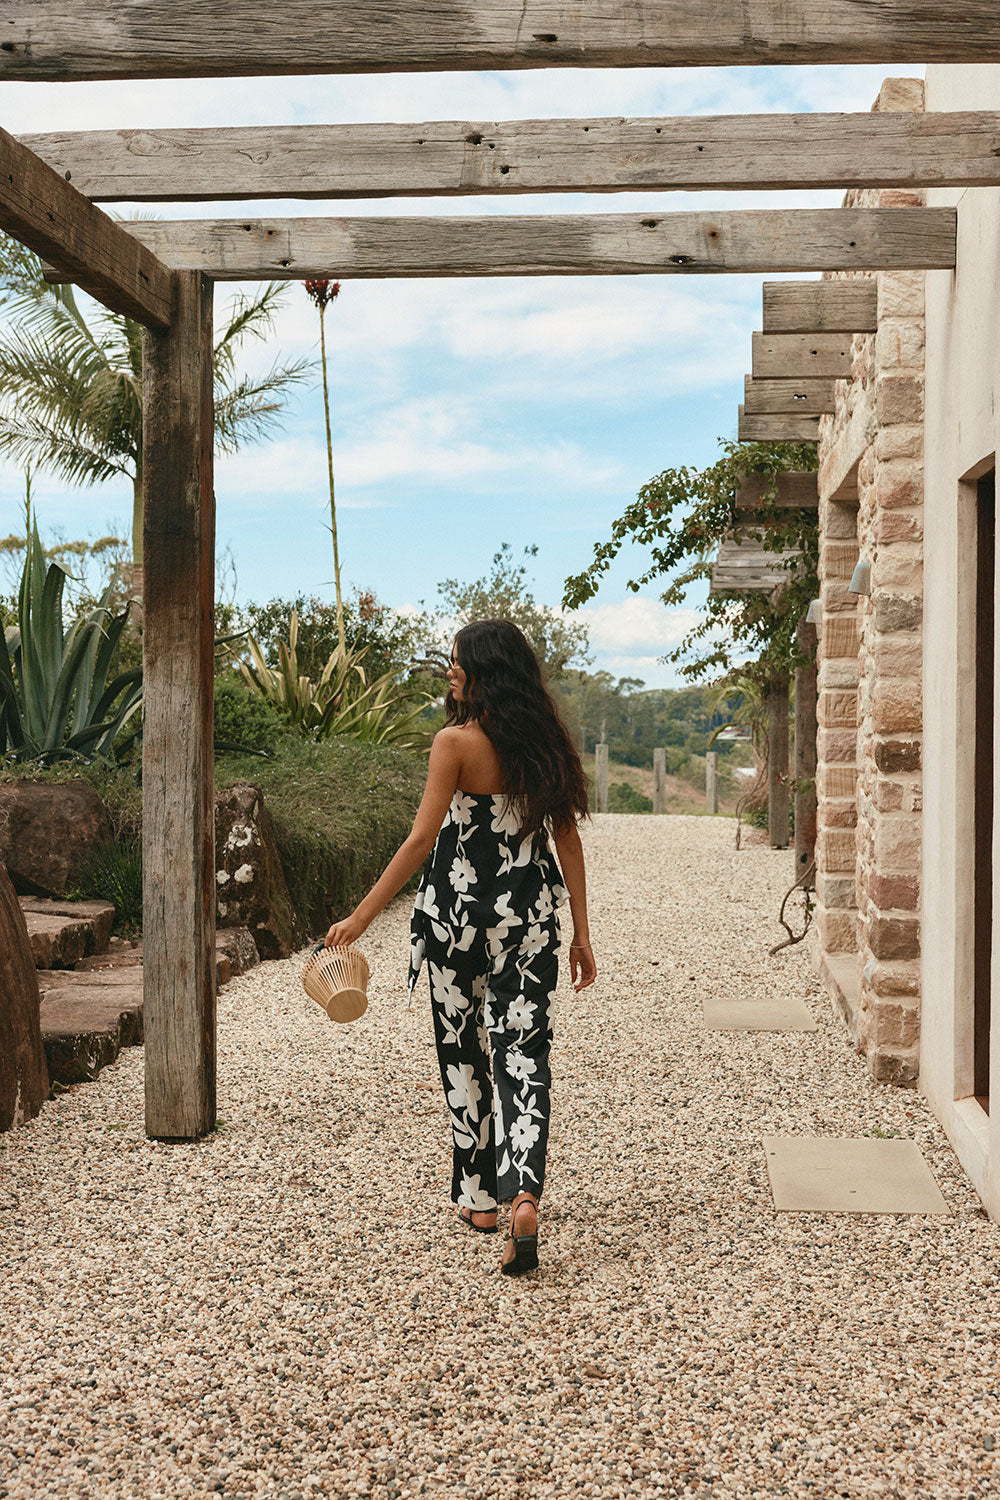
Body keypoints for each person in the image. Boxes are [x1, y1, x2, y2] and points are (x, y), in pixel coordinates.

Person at [325, 618, 597, 1275]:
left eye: (458, 660)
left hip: (454, 921)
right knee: (523, 1053)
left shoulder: (453, 743)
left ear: (485, 670)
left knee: (462, 1050)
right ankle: (522, 1194)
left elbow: (421, 840)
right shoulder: (544, 745)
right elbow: (567, 841)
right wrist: (583, 933)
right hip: (528, 918)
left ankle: (478, 1199)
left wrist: (361, 917)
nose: (450, 670)